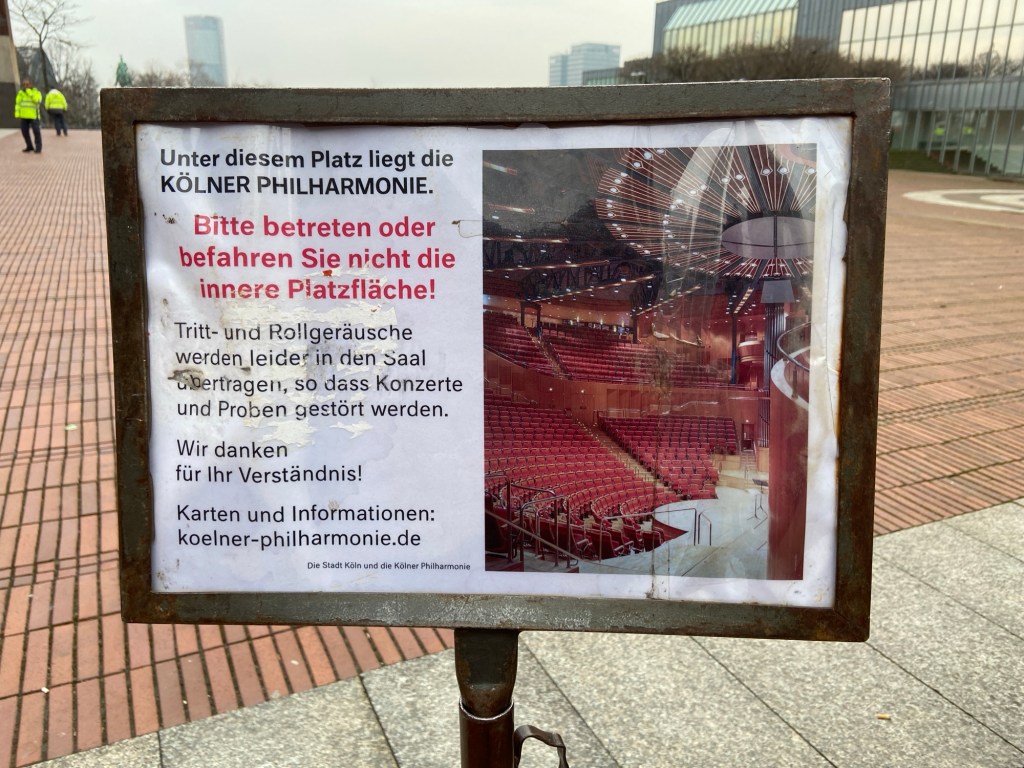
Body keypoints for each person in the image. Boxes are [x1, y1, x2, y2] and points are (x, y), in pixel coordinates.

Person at [15, 78, 43, 153]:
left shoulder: (36, 92)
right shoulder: (20, 93)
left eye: (27, 84)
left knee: (36, 132)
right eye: (24, 85)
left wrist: (30, 93)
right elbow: (18, 104)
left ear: (31, 84)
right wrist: (17, 114)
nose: (26, 86)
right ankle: (29, 146)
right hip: (24, 116)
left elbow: (38, 101)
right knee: (24, 132)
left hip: (34, 116)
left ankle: (38, 148)